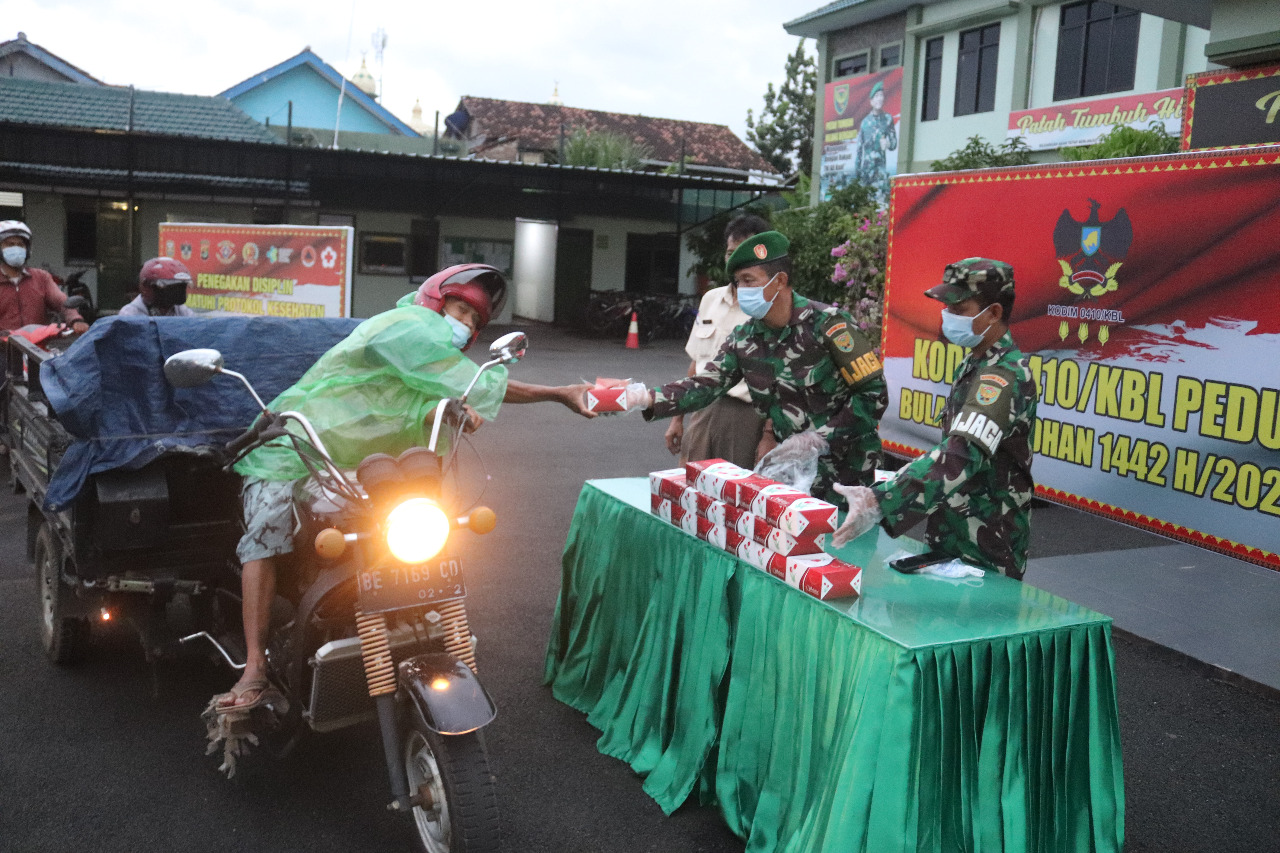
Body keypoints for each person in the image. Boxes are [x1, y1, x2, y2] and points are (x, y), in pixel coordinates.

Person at [215, 263, 592, 712]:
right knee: (265, 533)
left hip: (354, 461)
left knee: (402, 514)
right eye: (460, 309)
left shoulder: (426, 364)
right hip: (293, 449)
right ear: (435, 301)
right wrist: (556, 392)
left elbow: (410, 401)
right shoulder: (403, 327)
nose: (465, 325)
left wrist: (446, 412)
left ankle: (396, 612)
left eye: (474, 322)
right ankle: (255, 665)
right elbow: (460, 380)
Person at [636, 231, 888, 505]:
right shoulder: (744, 338)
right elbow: (704, 385)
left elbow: (873, 394)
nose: (740, 290)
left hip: (847, 477)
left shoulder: (829, 325)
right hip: (790, 476)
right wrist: (641, 398)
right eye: (737, 282)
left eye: (748, 281)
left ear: (779, 281)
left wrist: (819, 439)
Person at [832, 258, 1037, 579]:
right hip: (952, 530)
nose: (948, 318)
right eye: (947, 308)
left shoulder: (1004, 376)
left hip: (987, 543)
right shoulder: (975, 363)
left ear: (994, 313)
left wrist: (880, 500)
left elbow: (960, 452)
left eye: (959, 309)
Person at [664, 214, 772, 469]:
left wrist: (769, 435)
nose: (735, 261)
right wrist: (677, 418)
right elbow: (696, 364)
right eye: (730, 252)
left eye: (745, 253)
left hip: (745, 417)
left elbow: (779, 381)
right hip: (703, 408)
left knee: (734, 498)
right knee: (690, 489)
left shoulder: (768, 305)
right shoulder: (710, 300)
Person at [0, 220, 88, 333]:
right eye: (10, 244)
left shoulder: (41, 278)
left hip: (36, 347)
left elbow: (60, 301)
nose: (16, 248)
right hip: (4, 347)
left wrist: (75, 320)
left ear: (27, 249)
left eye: (20, 245)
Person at [853, 81, 897, 205]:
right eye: (876, 96)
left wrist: (887, 144)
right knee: (865, 207)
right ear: (871, 101)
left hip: (880, 172)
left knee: (882, 206)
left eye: (881, 95)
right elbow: (859, 151)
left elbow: (894, 144)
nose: (879, 99)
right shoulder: (865, 122)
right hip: (866, 172)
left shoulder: (888, 119)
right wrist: (858, 175)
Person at [118, 257, 197, 317]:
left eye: (180, 287)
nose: (176, 291)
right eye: (170, 287)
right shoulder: (130, 313)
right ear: (147, 286)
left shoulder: (181, 311)